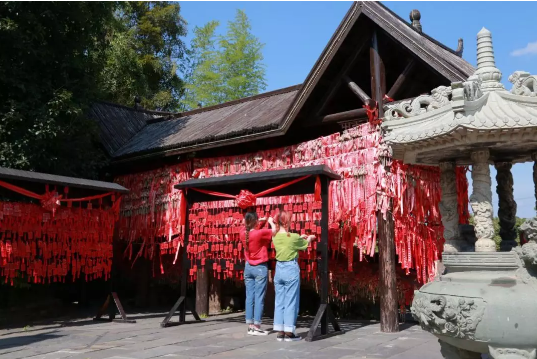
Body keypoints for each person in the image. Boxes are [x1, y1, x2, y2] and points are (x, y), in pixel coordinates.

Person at [272, 210, 315, 342]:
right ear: (287, 222)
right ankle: (289, 332)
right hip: (290, 268)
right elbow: (305, 245)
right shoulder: (294, 237)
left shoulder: (275, 236)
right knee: (290, 300)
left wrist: (299, 237)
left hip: (278, 268)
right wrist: (309, 238)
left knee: (279, 300)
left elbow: (289, 240)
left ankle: (280, 331)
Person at [240, 211, 276, 336]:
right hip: (260, 267)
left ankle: (250, 325)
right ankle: (256, 326)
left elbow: (245, 226)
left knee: (249, 296)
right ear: (255, 222)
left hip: (248, 267)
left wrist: (258, 221)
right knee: (259, 297)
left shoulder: (242, 233)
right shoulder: (260, 233)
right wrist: (270, 221)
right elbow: (274, 231)